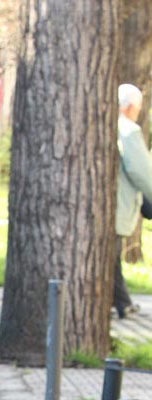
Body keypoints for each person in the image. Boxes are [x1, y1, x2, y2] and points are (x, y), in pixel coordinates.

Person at [114, 84, 152, 318]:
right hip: (119, 204)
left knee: (111, 257)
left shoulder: (109, 126)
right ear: (129, 107)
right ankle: (122, 303)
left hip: (111, 204)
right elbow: (142, 172)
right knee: (110, 257)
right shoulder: (128, 130)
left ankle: (122, 302)